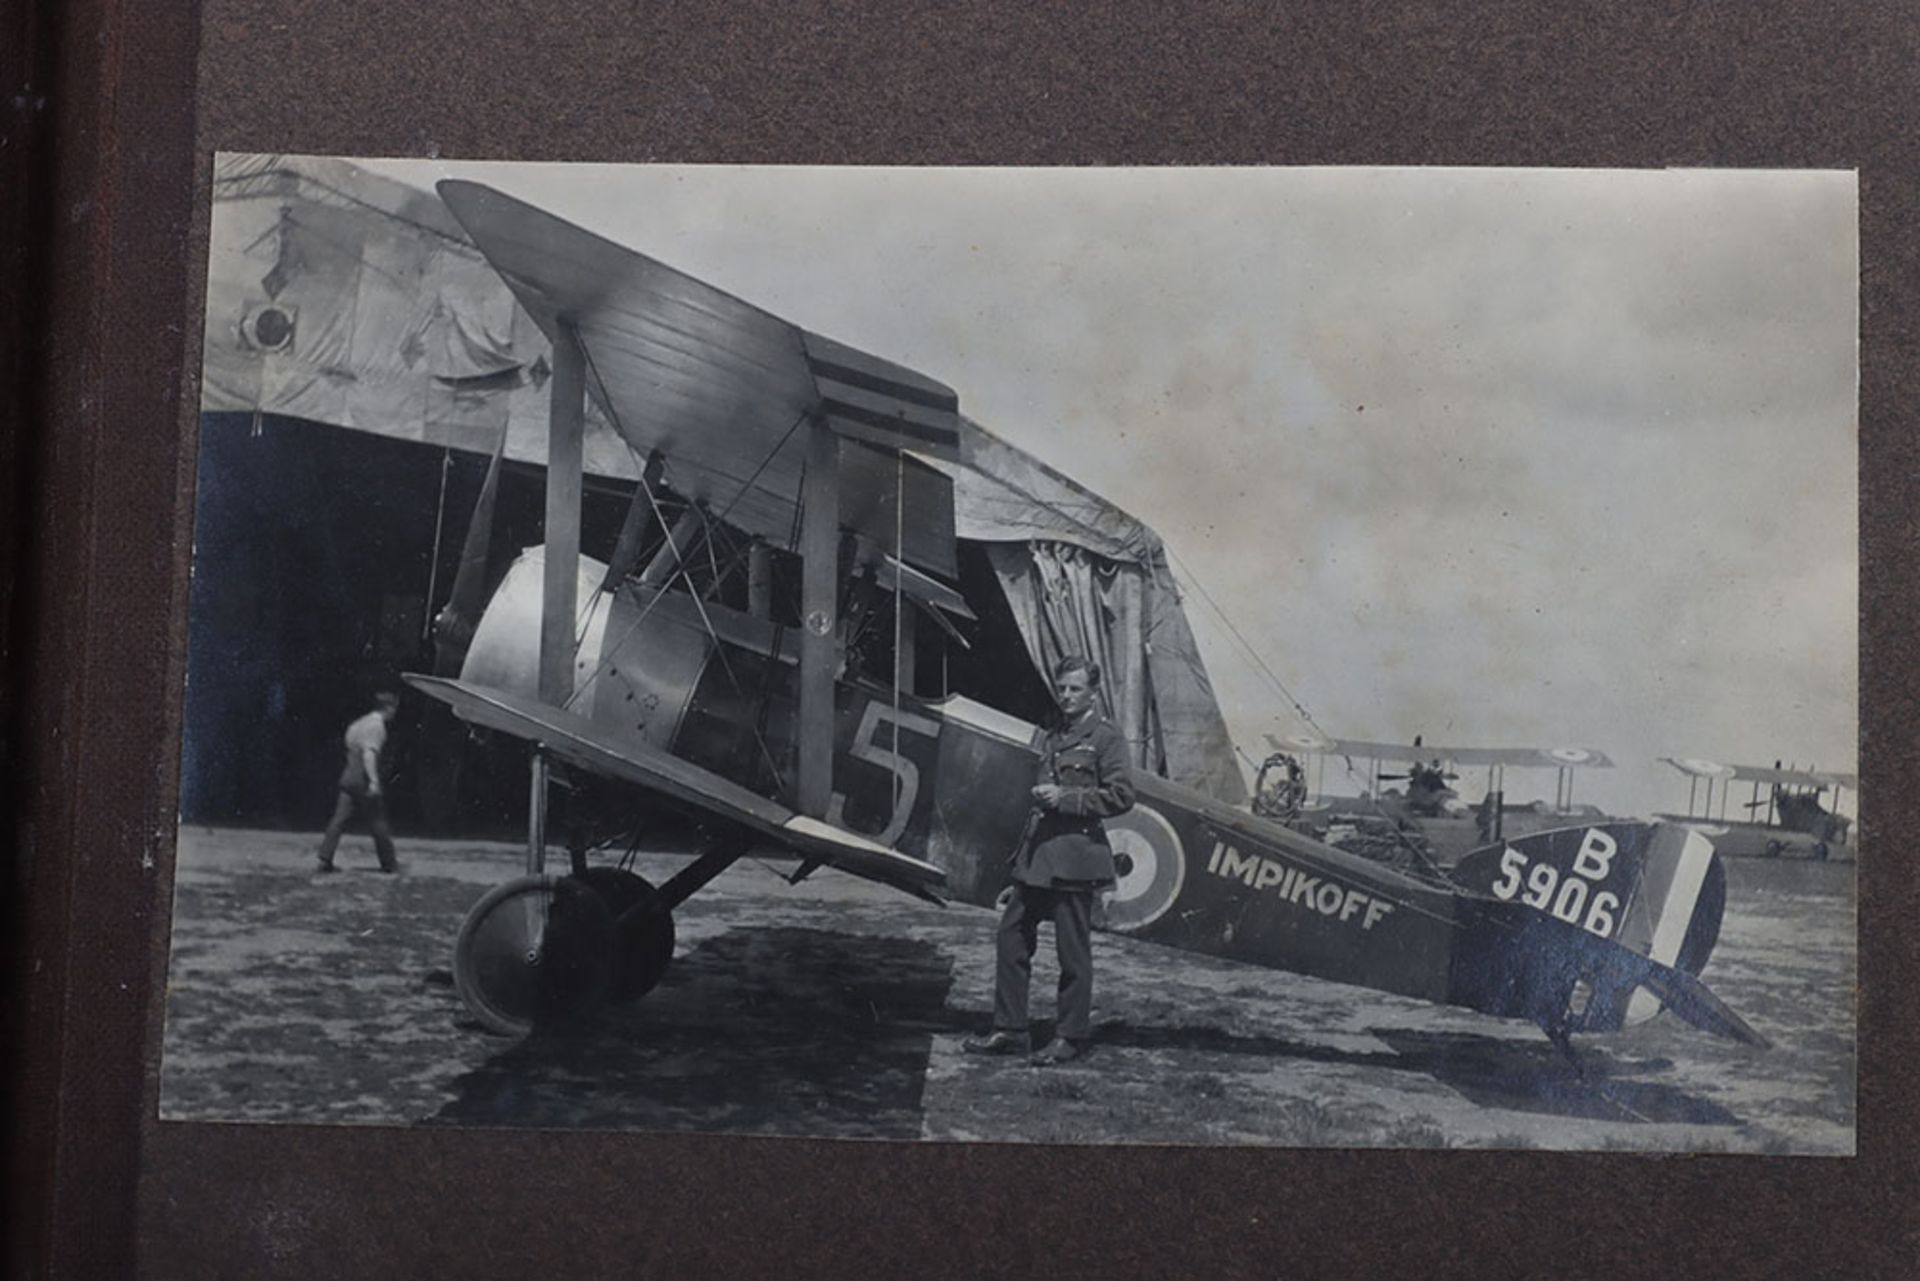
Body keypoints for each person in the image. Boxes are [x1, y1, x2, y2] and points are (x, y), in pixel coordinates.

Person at [963, 655, 1135, 1065]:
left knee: (1072, 952)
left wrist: (1067, 798)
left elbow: (1122, 796)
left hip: (1077, 857)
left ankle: (1070, 1037)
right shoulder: (1055, 734)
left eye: (1075, 689)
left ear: (1093, 692)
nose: (1066, 696)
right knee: (1012, 935)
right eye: (1061, 689)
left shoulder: (1106, 738)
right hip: (1040, 857)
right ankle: (1010, 1030)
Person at [315, 691, 402, 873]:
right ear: (389, 707)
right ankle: (389, 863)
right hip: (363, 776)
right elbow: (369, 753)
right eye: (394, 708)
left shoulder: (357, 724)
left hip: (349, 774)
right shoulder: (377, 726)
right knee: (378, 820)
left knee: (338, 819)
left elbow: (350, 747)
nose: (395, 712)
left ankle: (325, 857)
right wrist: (374, 781)